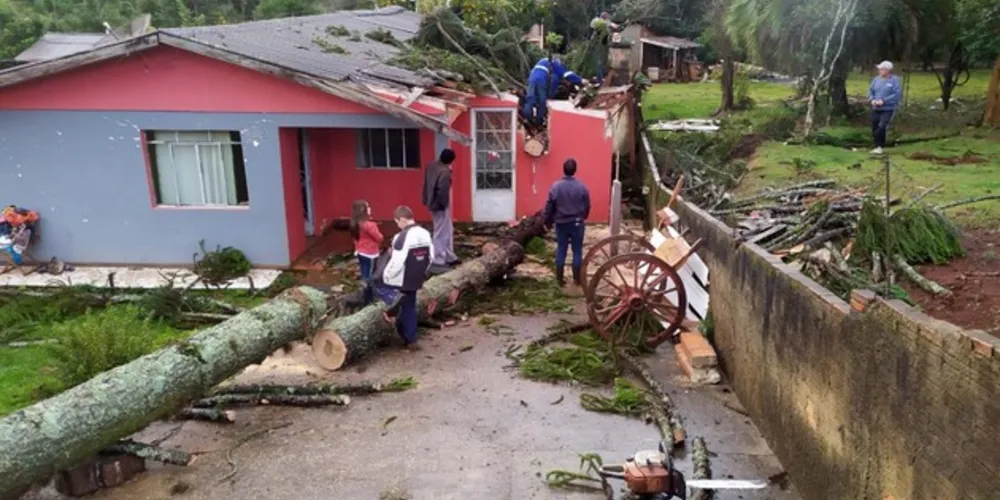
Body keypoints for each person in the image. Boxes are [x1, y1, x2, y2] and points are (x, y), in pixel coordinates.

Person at [371, 206, 433, 350]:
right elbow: (431, 256)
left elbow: (397, 262)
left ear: (402, 220)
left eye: (397, 222)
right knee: (409, 307)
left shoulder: (401, 237)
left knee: (375, 286)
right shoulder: (425, 233)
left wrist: (386, 276)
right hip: (416, 276)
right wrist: (422, 272)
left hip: (400, 279)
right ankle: (411, 340)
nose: (398, 225)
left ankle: (393, 300)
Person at [544, 158, 591, 287]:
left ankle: (559, 280)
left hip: (561, 223)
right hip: (577, 223)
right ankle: (577, 279)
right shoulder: (582, 187)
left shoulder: (556, 187)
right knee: (577, 251)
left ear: (563, 170)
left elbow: (550, 206)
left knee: (561, 249)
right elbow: (587, 205)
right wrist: (583, 217)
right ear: (575, 170)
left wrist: (547, 221)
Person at [422, 149, 460, 269]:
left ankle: (449, 256)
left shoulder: (431, 165)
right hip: (439, 205)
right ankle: (438, 258)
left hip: (431, 202)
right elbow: (442, 191)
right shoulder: (445, 172)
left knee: (447, 229)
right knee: (440, 232)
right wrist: (443, 206)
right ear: (451, 161)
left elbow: (426, 183)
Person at [522, 56, 584, 126]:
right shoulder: (555, 63)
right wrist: (580, 80)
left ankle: (527, 118)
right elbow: (567, 74)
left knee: (530, 98)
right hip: (541, 80)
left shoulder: (542, 61)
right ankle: (538, 122)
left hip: (531, 79)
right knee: (542, 101)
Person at [868, 60, 902, 155]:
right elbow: (870, 91)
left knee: (882, 126)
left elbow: (897, 94)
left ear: (887, 70)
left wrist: (884, 101)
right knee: (874, 126)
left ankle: (880, 146)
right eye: (879, 69)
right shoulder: (876, 79)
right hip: (876, 108)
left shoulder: (894, 80)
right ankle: (876, 145)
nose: (880, 71)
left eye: (882, 69)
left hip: (888, 108)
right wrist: (872, 99)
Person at [349, 200, 383, 292]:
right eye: (368, 207)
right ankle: (368, 294)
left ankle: (363, 291)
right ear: (363, 210)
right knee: (371, 276)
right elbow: (379, 238)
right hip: (370, 254)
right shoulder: (370, 225)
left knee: (364, 272)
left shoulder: (354, 224)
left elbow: (355, 239)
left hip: (360, 252)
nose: (370, 208)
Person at [590, 12, 622, 82]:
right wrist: (624, 24)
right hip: (601, 44)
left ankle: (600, 78)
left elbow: (593, 33)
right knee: (600, 63)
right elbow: (616, 27)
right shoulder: (604, 22)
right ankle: (600, 80)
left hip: (597, 43)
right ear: (606, 18)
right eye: (608, 18)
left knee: (599, 62)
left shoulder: (596, 22)